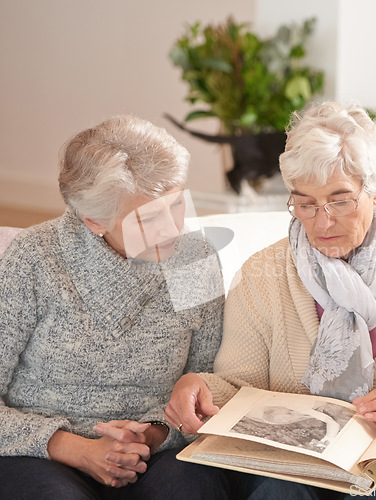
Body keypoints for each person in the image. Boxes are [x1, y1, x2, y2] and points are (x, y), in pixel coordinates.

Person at [165, 101, 376, 499]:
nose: (322, 222)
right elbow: (237, 385)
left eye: (341, 200)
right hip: (288, 475)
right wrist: (200, 388)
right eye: (305, 203)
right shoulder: (260, 276)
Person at [0, 115, 230, 499]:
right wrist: (74, 447)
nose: (172, 228)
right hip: (43, 453)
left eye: (176, 205)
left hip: (157, 450)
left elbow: (205, 380)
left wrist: (153, 434)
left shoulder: (194, 257)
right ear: (94, 221)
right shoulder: (34, 258)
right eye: (149, 218)